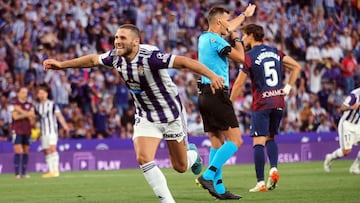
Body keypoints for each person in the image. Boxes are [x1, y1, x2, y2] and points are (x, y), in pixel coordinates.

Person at [43, 24, 224, 203]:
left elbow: (185, 62)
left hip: (171, 114)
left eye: (122, 38)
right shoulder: (115, 57)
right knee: (143, 158)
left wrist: (212, 76)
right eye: (116, 38)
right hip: (146, 115)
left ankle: (193, 156)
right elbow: (92, 60)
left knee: (181, 166)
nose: (117, 42)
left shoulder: (151, 57)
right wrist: (61, 65)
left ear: (136, 42)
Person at [230, 24, 301, 192]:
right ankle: (274, 168)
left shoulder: (249, 56)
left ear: (252, 35)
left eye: (244, 35)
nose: (243, 39)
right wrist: (288, 88)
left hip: (262, 103)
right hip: (278, 101)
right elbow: (297, 67)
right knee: (271, 138)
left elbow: (239, 83)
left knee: (258, 142)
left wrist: (229, 103)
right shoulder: (275, 51)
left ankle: (260, 182)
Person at [195, 4, 256, 200]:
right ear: (219, 21)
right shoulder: (215, 40)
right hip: (217, 94)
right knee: (236, 140)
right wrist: (237, 38)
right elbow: (241, 58)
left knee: (217, 141)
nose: (229, 27)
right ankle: (208, 175)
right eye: (227, 22)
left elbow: (229, 26)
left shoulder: (204, 38)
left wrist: (244, 15)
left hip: (204, 95)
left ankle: (219, 189)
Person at [323, 87, 360, 174]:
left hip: (358, 125)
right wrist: (352, 107)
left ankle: (354, 167)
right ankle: (330, 157)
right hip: (347, 124)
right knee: (346, 151)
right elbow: (342, 107)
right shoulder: (355, 95)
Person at [35, 85, 69, 178]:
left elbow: (59, 115)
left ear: (46, 94)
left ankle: (56, 170)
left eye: (43, 93)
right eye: (40, 93)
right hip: (43, 132)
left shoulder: (52, 104)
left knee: (52, 148)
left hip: (52, 131)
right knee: (46, 151)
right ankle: (50, 171)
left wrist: (65, 126)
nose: (41, 95)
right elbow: (36, 119)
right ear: (38, 95)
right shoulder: (37, 107)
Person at [11, 86, 35, 179]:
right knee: (17, 150)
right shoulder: (14, 104)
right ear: (18, 93)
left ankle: (24, 173)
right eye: (23, 92)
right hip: (17, 130)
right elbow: (15, 117)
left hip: (27, 130)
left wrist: (20, 111)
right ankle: (17, 173)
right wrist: (27, 114)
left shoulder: (30, 104)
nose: (25, 94)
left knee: (26, 151)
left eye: (26, 92)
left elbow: (32, 119)